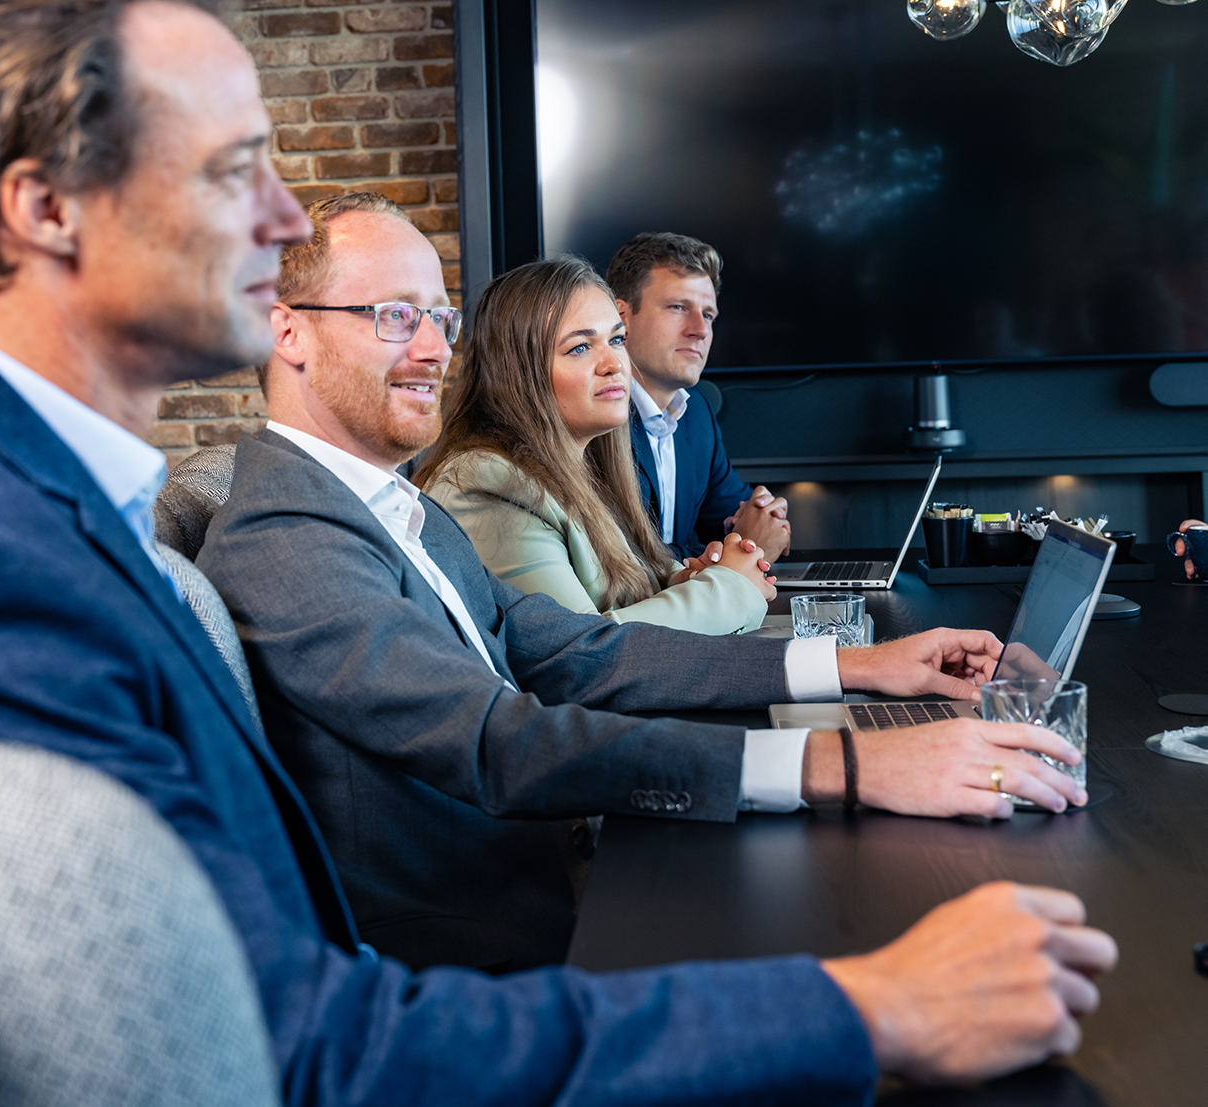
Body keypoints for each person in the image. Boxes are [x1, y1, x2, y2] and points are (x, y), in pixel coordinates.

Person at [0, 3, 1116, 1102]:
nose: (287, 217)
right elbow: (285, 1042)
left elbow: (558, 650)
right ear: (43, 207)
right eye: (238, 166)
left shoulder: (17, 486)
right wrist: (861, 1003)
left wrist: (849, 682)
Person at [200, 188, 1094, 969]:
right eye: (396, 316)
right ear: (290, 333)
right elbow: (497, 741)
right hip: (480, 943)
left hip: (557, 876)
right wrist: (846, 761)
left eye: (440, 316)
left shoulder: (397, 506)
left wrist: (864, 668)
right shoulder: (285, 538)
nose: (435, 348)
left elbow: (582, 653)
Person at [415, 256, 774, 637]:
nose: (615, 364)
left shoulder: (591, 469)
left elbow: (638, 593)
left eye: (616, 340)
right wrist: (730, 588)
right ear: (519, 373)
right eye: (580, 348)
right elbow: (578, 651)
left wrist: (694, 577)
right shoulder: (487, 485)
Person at [607, 232, 793, 562]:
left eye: (708, 314)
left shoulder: (697, 413)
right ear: (622, 319)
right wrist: (744, 546)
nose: (700, 330)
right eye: (679, 307)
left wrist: (765, 519)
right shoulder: (596, 414)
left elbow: (736, 521)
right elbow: (623, 562)